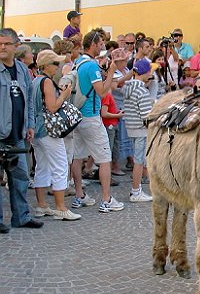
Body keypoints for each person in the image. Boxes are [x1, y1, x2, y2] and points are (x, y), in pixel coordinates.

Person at [70, 29, 125, 213]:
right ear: (93, 44)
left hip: (77, 115)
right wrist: (111, 72)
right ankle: (106, 199)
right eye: (101, 43)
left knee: (77, 157)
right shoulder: (91, 66)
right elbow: (102, 92)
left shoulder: (77, 63)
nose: (102, 46)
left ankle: (79, 195)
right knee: (104, 159)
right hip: (91, 116)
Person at [0, 28, 44, 233]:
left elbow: (30, 101)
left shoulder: (21, 69)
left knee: (21, 177)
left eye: (6, 44)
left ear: (15, 46)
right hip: (1, 133)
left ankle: (21, 216)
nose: (2, 47)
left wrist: (30, 125)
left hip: (18, 135)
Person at [31, 50, 81, 221]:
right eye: (55, 64)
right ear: (46, 65)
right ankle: (60, 207)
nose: (58, 67)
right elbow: (52, 107)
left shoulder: (35, 80)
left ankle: (41, 205)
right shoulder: (46, 82)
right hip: (48, 129)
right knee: (60, 165)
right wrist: (65, 95)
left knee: (42, 166)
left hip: (36, 129)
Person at [122, 58, 153, 202]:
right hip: (141, 129)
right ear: (145, 72)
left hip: (131, 127)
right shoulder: (142, 90)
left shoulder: (128, 87)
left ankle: (137, 190)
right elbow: (147, 116)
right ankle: (136, 191)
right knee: (139, 161)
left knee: (138, 160)